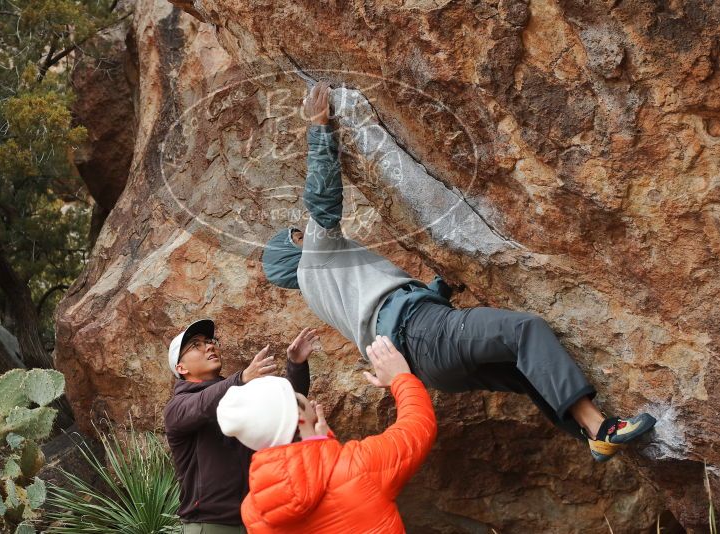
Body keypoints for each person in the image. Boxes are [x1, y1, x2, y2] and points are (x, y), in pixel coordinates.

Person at [261, 81, 656, 462]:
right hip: (425, 333)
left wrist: (439, 288)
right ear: (293, 252)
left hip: (430, 364)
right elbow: (322, 200)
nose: (303, 232)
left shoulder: (321, 291)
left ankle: (590, 435)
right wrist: (319, 128)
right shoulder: (316, 258)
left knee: (525, 371)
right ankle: (600, 429)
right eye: (297, 235)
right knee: (525, 332)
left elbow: (383, 304)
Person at [216, 335, 437, 533]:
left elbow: (311, 484)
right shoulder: (358, 466)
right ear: (300, 416)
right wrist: (401, 378)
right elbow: (418, 428)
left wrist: (323, 442)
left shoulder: (253, 511)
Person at [164, 319, 318, 533]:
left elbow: (283, 409)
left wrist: (296, 365)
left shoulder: (237, 394)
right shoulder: (177, 407)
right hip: (209, 525)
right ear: (181, 368)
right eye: (196, 345)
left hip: (255, 521)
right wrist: (242, 378)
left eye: (210, 341)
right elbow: (202, 405)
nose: (209, 346)